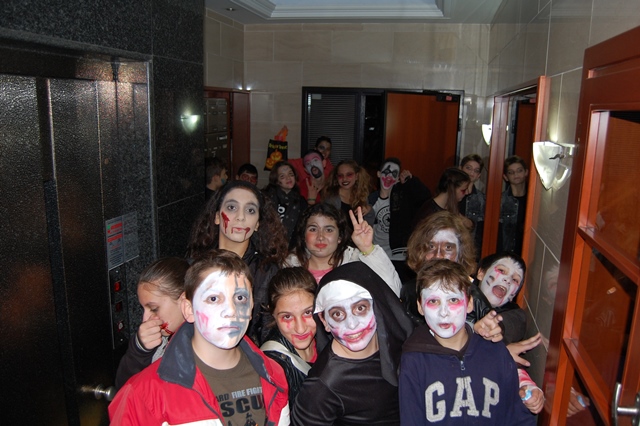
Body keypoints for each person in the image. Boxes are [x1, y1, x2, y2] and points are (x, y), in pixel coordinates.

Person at [109, 250, 290, 426]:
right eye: (213, 299)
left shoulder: (274, 376)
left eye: (240, 297)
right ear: (188, 309)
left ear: (251, 307)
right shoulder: (143, 394)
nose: (231, 311)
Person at [398, 259, 536, 425]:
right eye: (433, 301)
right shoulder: (413, 361)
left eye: (453, 300)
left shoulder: (495, 351)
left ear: (470, 303)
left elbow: (515, 416)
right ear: (420, 307)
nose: (444, 312)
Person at [291, 262, 415, 425]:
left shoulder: (399, 340)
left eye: (360, 308)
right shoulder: (323, 386)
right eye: (337, 314)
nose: (351, 324)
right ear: (324, 321)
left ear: (377, 306)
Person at [187, 180, 289, 344]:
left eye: (250, 210)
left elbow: (268, 333)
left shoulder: (267, 272)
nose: (241, 217)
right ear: (217, 217)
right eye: (232, 207)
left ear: (257, 224)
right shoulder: (195, 266)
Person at [467, 252, 545, 413]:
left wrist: (527, 388)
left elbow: (512, 324)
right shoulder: (454, 301)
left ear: (513, 295)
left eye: (515, 280)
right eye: (502, 270)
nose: (507, 280)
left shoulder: (516, 316)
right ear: (480, 273)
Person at [286, 203, 402, 296]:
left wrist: (368, 249)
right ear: (303, 235)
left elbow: (393, 291)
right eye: (313, 229)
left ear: (340, 237)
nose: (320, 236)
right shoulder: (289, 266)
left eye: (329, 230)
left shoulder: (356, 262)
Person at [114, 257, 190, 390]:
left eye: (154, 309)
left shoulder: (205, 344)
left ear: (184, 300)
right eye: (143, 309)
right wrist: (139, 351)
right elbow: (125, 390)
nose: (145, 319)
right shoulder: (161, 342)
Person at [261, 267, 317, 403]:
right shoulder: (272, 366)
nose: (300, 328)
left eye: (308, 313)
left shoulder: (332, 341)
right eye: (287, 316)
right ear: (273, 314)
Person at [368, 157, 432, 278]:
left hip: (400, 256)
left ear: (398, 178)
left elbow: (426, 198)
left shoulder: (403, 198)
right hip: (378, 255)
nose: (389, 177)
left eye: (394, 174)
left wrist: (412, 181)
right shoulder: (371, 199)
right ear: (378, 174)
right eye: (386, 172)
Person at [262, 160, 308, 247]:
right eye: (282, 176)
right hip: (267, 245)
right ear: (276, 180)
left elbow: (303, 227)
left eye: (291, 174)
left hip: (291, 248)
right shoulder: (267, 198)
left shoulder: (301, 201)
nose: (288, 178)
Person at [324, 159, 375, 229]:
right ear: (336, 178)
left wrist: (369, 209)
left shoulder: (361, 195)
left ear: (357, 176)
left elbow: (369, 226)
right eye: (340, 176)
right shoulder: (331, 199)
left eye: (349, 175)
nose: (344, 179)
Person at [498, 155, 529, 255]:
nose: (516, 174)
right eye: (511, 172)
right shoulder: (501, 201)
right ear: (505, 177)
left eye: (519, 170)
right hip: (506, 253)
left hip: (527, 252)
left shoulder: (533, 200)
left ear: (526, 172)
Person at [458, 154, 486, 258]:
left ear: (479, 175)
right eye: (468, 168)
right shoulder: (450, 193)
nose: (471, 173)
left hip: (470, 251)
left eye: (476, 170)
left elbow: (481, 231)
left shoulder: (482, 199)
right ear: (460, 169)